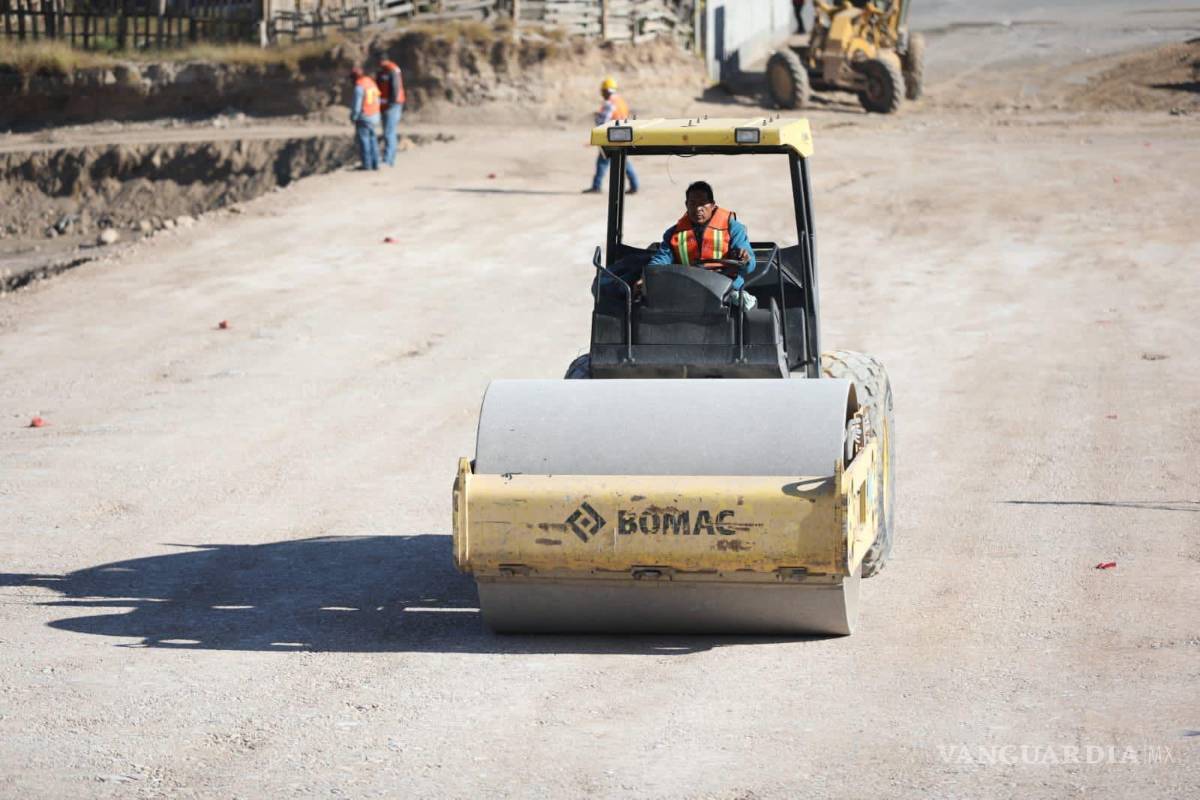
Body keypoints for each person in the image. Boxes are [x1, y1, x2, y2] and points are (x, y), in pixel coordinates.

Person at [647, 181, 758, 308]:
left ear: (712, 205)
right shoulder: (673, 233)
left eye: (702, 204)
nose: (697, 208)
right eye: (692, 203)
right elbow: (661, 260)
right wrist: (648, 278)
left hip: (725, 290)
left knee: (748, 308)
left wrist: (745, 259)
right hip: (687, 291)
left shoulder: (733, 228)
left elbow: (750, 266)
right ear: (686, 205)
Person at [583, 77, 640, 195]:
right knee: (623, 161)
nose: (602, 94)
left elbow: (602, 122)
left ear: (606, 91)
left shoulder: (609, 104)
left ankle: (596, 186)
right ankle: (634, 185)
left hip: (610, 137)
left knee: (603, 162)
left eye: (603, 91)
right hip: (623, 136)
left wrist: (597, 116)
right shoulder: (621, 101)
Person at [349, 67, 381, 171]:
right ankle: (376, 163)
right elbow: (378, 99)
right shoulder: (370, 82)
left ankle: (366, 165)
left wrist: (353, 117)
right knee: (373, 140)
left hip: (365, 116)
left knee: (364, 141)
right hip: (374, 115)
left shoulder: (359, 87)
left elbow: (357, 106)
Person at [375, 59, 406, 167]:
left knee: (389, 132)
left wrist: (390, 103)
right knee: (387, 132)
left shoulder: (393, 70)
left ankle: (388, 159)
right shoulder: (381, 72)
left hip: (392, 106)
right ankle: (387, 158)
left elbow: (395, 89)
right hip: (384, 106)